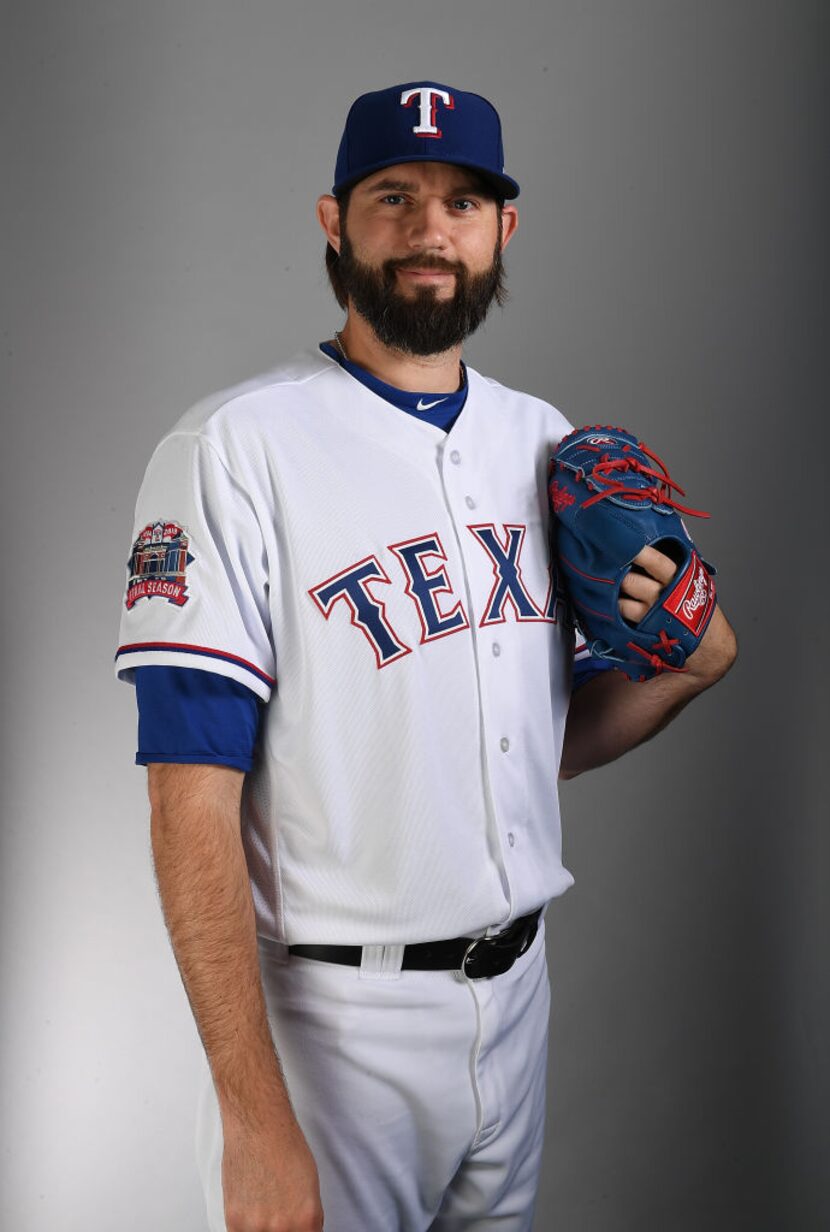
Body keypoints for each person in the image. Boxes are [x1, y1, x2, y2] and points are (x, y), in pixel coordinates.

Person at [116, 82, 737, 1232]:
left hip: (518, 1000)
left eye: (462, 199)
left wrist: (691, 664)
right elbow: (188, 800)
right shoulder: (234, 448)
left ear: (505, 229)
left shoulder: (544, 441)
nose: (427, 228)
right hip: (335, 1031)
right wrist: (253, 1117)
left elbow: (523, 749)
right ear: (332, 220)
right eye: (392, 195)